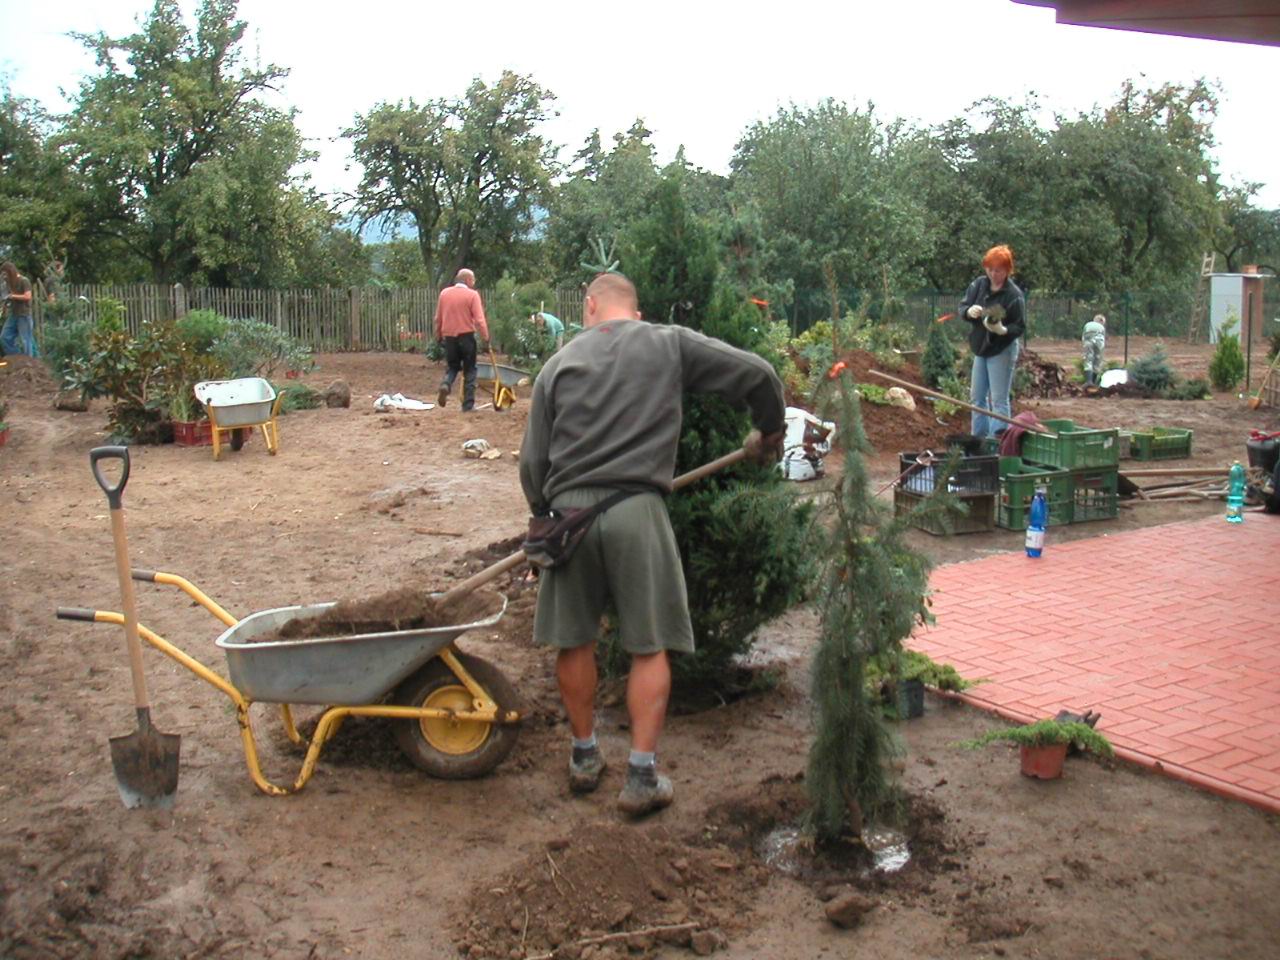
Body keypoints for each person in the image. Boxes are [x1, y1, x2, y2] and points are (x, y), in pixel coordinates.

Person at [519, 272, 785, 818]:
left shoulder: (558, 364)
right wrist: (769, 430)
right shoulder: (667, 343)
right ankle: (641, 776)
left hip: (570, 517)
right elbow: (759, 373)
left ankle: (584, 756)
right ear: (636, 313)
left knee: (574, 642)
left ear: (589, 307)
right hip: (638, 512)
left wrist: (544, 514)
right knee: (649, 645)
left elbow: (533, 461)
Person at [958, 245, 1025, 438]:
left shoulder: (1013, 295)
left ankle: (998, 442)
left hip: (1002, 349)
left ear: (1007, 271)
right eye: (990, 269)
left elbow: (1019, 326)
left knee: (998, 400)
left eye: (999, 271)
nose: (994, 274)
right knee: (977, 398)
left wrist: (1003, 330)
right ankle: (979, 441)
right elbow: (962, 307)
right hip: (981, 348)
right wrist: (968, 311)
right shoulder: (979, 285)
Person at [434, 268, 489, 411]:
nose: (474, 282)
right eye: (473, 279)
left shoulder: (444, 294)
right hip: (466, 337)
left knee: (452, 367)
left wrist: (438, 335)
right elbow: (480, 320)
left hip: (449, 338)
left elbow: (438, 319)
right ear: (468, 280)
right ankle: (468, 405)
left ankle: (446, 383)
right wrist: (486, 337)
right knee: (470, 369)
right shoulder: (472, 295)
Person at [1, 262, 39, 358]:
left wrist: (13, 296)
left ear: (11, 272)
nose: (5, 276)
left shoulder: (24, 281)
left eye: (6, 274)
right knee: (5, 337)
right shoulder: (9, 282)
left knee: (26, 340)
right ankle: (17, 357)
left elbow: (28, 296)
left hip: (24, 315)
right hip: (14, 314)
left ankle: (28, 361)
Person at [1082, 313, 1107, 386]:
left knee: (1088, 360)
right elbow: (1103, 337)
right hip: (1099, 343)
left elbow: (1084, 336)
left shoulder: (1088, 324)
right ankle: (1094, 382)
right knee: (1097, 360)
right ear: (1102, 321)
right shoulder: (1102, 327)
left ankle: (1088, 381)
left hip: (1088, 342)